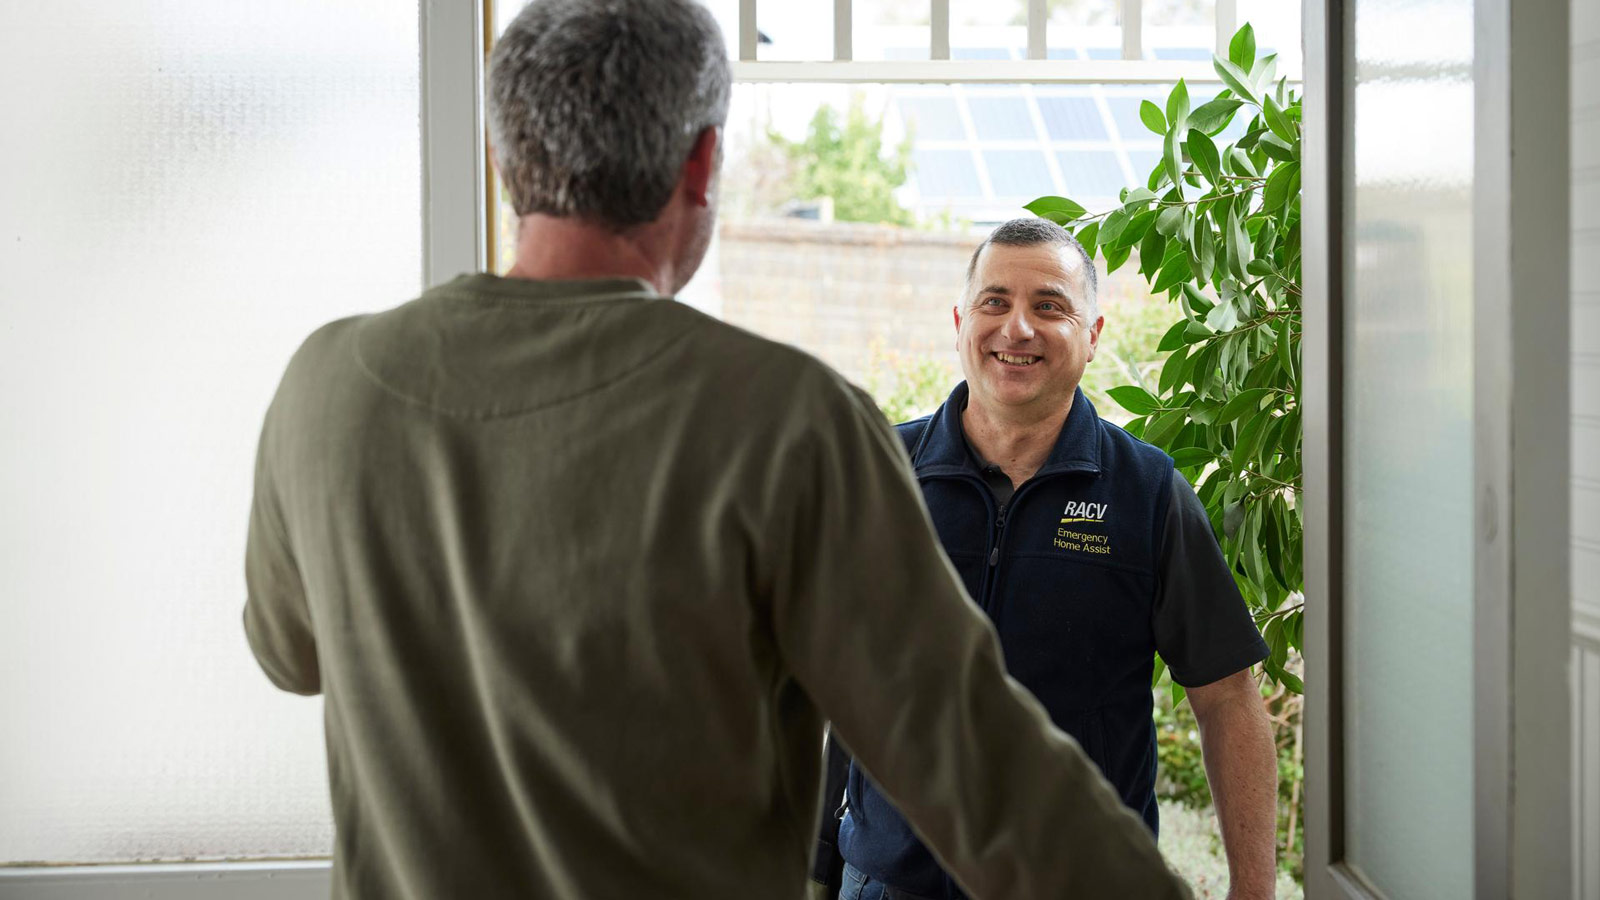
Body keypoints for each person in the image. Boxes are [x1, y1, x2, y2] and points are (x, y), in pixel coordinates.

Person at [242, 1, 1193, 898]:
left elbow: (289, 653)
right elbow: (975, 767)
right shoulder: (789, 422)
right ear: (702, 165)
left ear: (504, 156)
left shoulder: (329, 387)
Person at [818, 218, 1279, 900]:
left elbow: (1227, 698)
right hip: (891, 885)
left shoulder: (1148, 494)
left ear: (1091, 336)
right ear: (960, 321)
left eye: (1050, 306)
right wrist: (817, 865)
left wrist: (1254, 891)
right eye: (995, 301)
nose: (1018, 328)